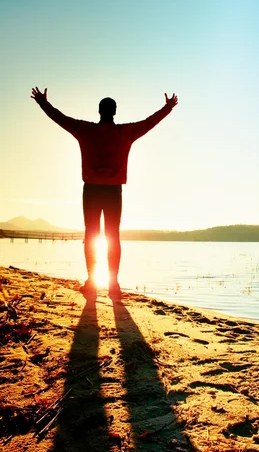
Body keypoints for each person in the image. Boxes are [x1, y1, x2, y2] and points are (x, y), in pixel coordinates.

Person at [31, 87, 178, 300]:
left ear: (99, 111)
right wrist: (168, 107)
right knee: (112, 236)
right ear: (114, 112)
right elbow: (148, 123)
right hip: (113, 192)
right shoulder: (124, 133)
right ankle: (113, 285)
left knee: (91, 234)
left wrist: (42, 102)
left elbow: (61, 119)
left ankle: (91, 281)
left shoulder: (86, 130)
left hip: (91, 190)